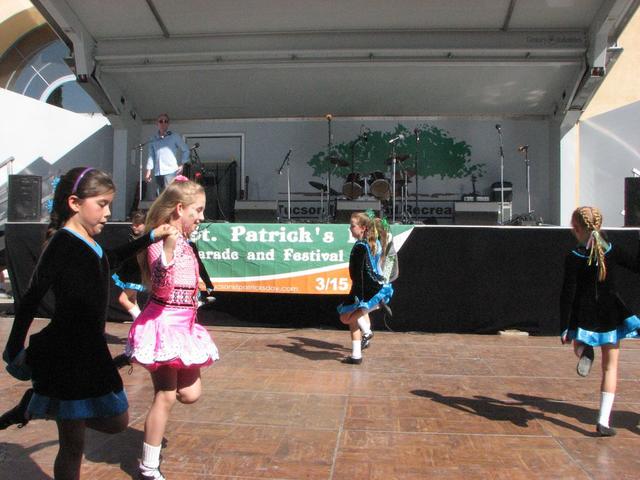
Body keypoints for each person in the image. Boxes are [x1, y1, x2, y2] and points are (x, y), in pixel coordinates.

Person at [0, 167, 176, 479]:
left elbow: (111, 259)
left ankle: (40, 405)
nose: (108, 213)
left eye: (110, 204)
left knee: (112, 423)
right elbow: (30, 297)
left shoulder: (88, 243)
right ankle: (43, 405)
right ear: (74, 203)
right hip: (67, 354)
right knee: (76, 442)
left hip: (87, 351)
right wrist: (14, 348)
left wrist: (149, 237)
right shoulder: (62, 244)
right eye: (102, 204)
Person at [125, 175, 219, 480]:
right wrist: (167, 248)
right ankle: (148, 467)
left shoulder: (187, 244)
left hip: (185, 326)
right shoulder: (158, 243)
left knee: (190, 393)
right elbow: (163, 290)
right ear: (180, 209)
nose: (202, 217)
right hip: (163, 326)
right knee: (165, 395)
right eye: (198, 211)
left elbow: (187, 283)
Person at [560, 206, 640, 437]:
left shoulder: (574, 256)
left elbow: (567, 293)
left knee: (579, 343)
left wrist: (564, 326)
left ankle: (585, 350)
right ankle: (603, 421)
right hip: (610, 314)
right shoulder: (611, 251)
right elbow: (637, 266)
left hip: (584, 313)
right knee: (611, 367)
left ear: (576, 228)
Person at [337, 211, 393, 364]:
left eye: (352, 226)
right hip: (365, 287)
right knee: (350, 318)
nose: (350, 228)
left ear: (362, 228)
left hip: (365, 288)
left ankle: (373, 309)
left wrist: (362, 296)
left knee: (345, 317)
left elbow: (361, 273)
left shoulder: (362, 246)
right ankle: (356, 355)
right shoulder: (371, 243)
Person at [112, 210, 147, 322]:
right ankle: (138, 326)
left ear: (145, 224)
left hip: (137, 275)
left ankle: (142, 323)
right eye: (133, 224)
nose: (134, 227)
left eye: (137, 224)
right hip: (130, 273)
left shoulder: (146, 239)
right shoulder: (132, 237)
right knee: (132, 300)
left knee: (123, 299)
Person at [145, 113, 190, 196]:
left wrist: (183, 164)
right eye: (161, 121)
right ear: (157, 123)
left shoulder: (174, 136)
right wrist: (148, 170)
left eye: (165, 121)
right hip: (158, 172)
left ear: (168, 124)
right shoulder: (153, 139)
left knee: (170, 196)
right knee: (160, 196)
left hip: (171, 171)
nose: (163, 123)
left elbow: (186, 149)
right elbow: (151, 155)